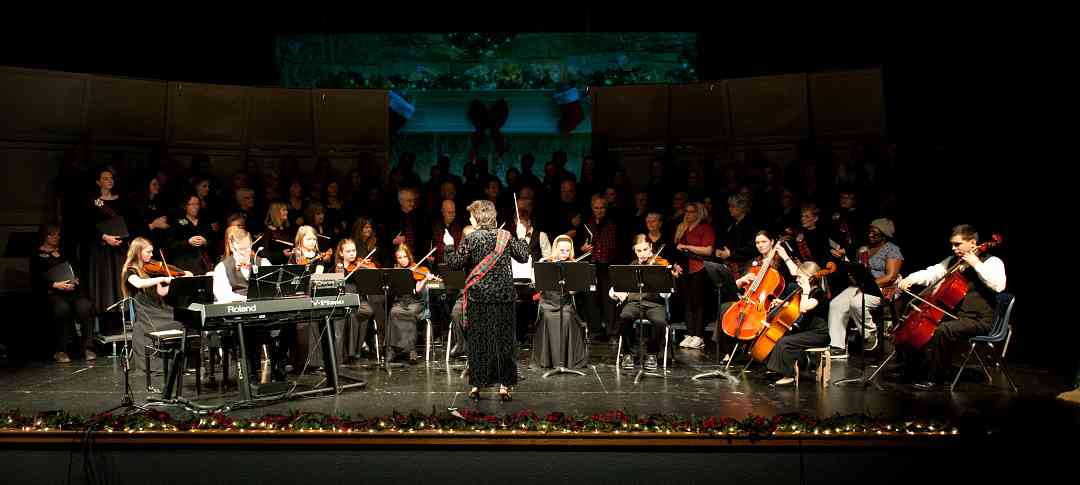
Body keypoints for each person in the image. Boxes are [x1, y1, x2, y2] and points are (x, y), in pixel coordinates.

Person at [897, 224, 1006, 390]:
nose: (953, 248)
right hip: (957, 316)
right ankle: (914, 369)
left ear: (972, 243)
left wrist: (976, 263)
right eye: (952, 244)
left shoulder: (992, 261)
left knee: (944, 330)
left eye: (957, 244)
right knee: (920, 324)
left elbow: (999, 285)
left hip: (979, 320)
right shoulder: (953, 261)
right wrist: (910, 279)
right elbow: (932, 273)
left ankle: (938, 379)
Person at [444, 200, 530, 401]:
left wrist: (448, 246)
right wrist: (522, 236)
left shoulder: (472, 238)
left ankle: (477, 385)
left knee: (479, 341)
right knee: (504, 343)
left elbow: (455, 264)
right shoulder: (506, 236)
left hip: (478, 297)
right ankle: (504, 386)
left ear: (477, 217)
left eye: (471, 215)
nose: (470, 218)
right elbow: (524, 256)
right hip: (504, 297)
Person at [828, 218, 903, 357]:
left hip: (883, 287)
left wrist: (868, 285)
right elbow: (860, 270)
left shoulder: (892, 249)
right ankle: (837, 346)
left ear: (884, 234)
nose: (870, 235)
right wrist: (853, 273)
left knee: (857, 303)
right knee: (836, 304)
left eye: (874, 233)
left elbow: (891, 276)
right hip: (862, 285)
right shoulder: (864, 249)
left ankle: (870, 334)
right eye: (870, 232)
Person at [122, 237, 191, 373]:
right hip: (147, 313)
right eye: (148, 252)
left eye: (152, 252)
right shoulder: (130, 271)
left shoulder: (150, 270)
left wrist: (177, 282)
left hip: (159, 307)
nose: (152, 255)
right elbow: (139, 284)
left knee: (185, 318)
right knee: (177, 322)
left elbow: (161, 292)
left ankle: (182, 362)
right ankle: (170, 362)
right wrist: (162, 278)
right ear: (138, 252)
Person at [611, 235, 677, 370]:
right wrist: (616, 293)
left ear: (651, 248)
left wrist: (664, 282)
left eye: (645, 250)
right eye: (638, 251)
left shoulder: (660, 266)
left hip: (655, 305)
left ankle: (652, 353)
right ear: (635, 252)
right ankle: (628, 352)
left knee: (660, 322)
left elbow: (667, 294)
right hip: (634, 304)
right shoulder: (632, 266)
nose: (642, 254)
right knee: (624, 317)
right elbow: (615, 288)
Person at [763, 257, 830, 386]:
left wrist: (805, 290)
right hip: (806, 330)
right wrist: (784, 304)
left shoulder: (818, 293)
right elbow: (797, 308)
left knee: (785, 342)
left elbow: (804, 308)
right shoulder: (803, 291)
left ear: (810, 278)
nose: (796, 279)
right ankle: (779, 368)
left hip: (818, 334)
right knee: (778, 336)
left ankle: (789, 376)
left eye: (800, 277)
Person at [32, 224, 94, 362]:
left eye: (58, 235)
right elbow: (36, 280)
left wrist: (75, 280)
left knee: (85, 306)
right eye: (52, 235)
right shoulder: (36, 255)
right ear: (44, 236)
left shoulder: (65, 252)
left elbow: (76, 269)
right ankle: (61, 349)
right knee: (62, 309)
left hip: (71, 291)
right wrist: (56, 285)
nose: (56, 237)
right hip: (53, 293)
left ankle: (87, 347)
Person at [532, 234, 588, 370]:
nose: (565, 253)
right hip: (548, 302)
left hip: (565, 303)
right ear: (555, 249)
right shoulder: (545, 262)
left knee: (568, 317)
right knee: (548, 316)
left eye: (568, 250)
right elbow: (537, 284)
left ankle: (566, 360)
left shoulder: (573, 265)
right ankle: (548, 360)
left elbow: (574, 292)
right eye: (562, 250)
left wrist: (572, 283)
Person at [388, 244, 437, 364]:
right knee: (393, 312)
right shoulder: (396, 271)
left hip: (416, 301)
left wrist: (426, 278)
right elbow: (393, 290)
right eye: (399, 258)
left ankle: (410, 351)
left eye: (404, 256)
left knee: (409, 313)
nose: (402, 260)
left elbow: (418, 289)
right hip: (401, 301)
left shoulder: (418, 269)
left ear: (409, 256)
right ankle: (393, 349)